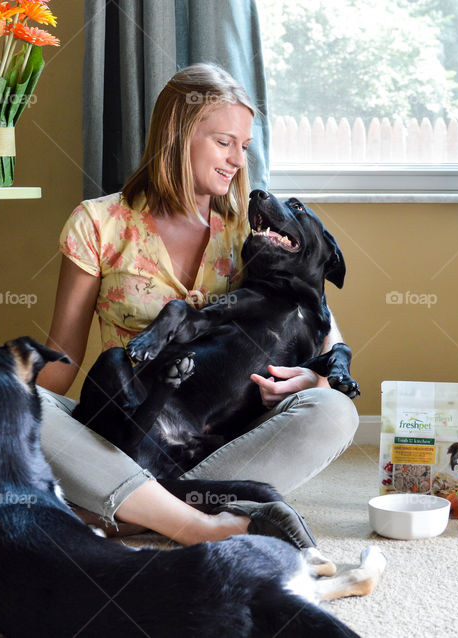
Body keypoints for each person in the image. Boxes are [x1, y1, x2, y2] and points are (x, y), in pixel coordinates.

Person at [35, 63, 358, 545]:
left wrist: (313, 378)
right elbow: (62, 360)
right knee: (9, 400)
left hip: (219, 438)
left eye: (244, 148)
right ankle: (189, 521)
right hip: (123, 431)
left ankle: (134, 511)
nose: (237, 161)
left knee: (334, 412)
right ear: (176, 134)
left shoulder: (252, 233)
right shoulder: (97, 223)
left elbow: (323, 328)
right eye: (224, 142)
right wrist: (10, 411)